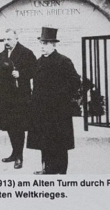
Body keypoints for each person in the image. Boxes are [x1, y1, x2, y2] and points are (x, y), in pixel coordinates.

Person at [27, 27, 80, 175]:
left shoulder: (63, 61)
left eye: (46, 43)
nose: (43, 46)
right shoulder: (38, 62)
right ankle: (47, 168)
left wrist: (58, 97)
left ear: (54, 45)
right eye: (42, 43)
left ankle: (61, 172)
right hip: (42, 110)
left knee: (60, 143)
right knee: (44, 141)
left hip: (59, 111)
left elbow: (75, 82)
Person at [0, 28, 36, 169]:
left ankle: (19, 156)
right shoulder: (2, 55)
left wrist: (21, 74)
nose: (6, 42)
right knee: (9, 127)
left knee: (18, 127)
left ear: (16, 38)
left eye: (9, 39)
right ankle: (14, 153)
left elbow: (35, 70)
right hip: (5, 97)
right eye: (5, 39)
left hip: (20, 98)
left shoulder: (26, 53)